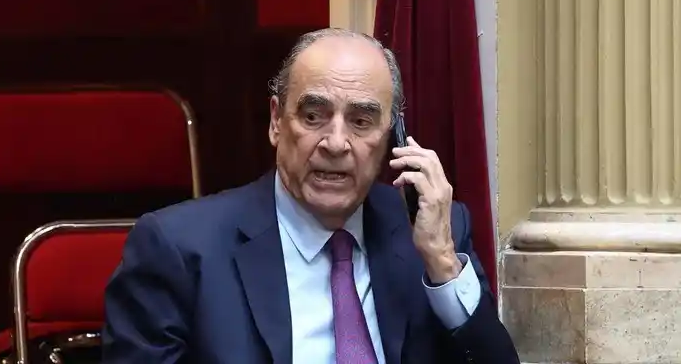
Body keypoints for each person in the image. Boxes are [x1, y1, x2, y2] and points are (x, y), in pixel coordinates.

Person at [102, 28, 519, 363]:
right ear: (275, 122)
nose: (336, 143)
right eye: (313, 116)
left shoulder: (431, 235)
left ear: (393, 138)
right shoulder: (178, 249)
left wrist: (443, 264)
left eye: (361, 121)